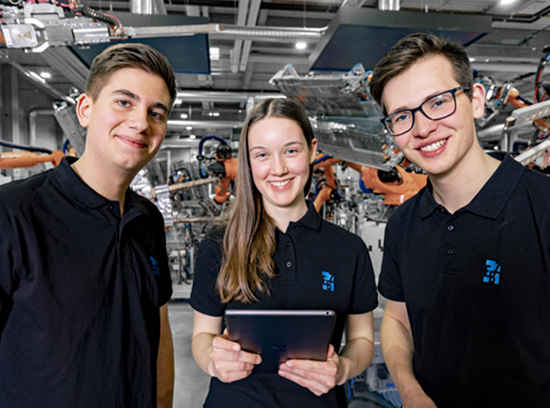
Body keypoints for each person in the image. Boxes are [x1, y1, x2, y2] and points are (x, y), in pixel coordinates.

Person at [370, 33, 550, 407]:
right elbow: (398, 321)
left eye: (437, 102)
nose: (422, 128)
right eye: (402, 116)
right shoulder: (403, 224)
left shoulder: (543, 207)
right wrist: (410, 391)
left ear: (476, 101)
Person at [0, 43, 177, 407]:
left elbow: (158, 333)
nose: (141, 123)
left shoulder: (147, 220)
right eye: (123, 102)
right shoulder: (14, 212)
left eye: (156, 113)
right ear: (85, 109)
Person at [190, 98, 378, 407]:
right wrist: (214, 361)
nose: (278, 169)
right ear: (249, 163)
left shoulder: (349, 249)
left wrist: (343, 367)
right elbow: (202, 338)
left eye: (291, 151)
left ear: (312, 151)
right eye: (262, 155)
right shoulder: (218, 246)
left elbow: (362, 340)